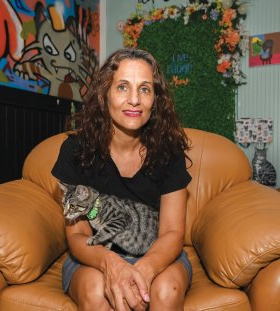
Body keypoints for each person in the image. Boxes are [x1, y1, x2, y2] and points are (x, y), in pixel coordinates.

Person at [52, 48, 192, 311]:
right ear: (105, 95)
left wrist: (145, 270)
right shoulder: (75, 151)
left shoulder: (170, 151)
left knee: (166, 290)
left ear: (156, 100)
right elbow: (78, 234)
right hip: (95, 255)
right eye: (123, 87)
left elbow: (172, 232)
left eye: (145, 89)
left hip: (156, 254)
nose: (134, 100)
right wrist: (111, 264)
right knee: (97, 292)